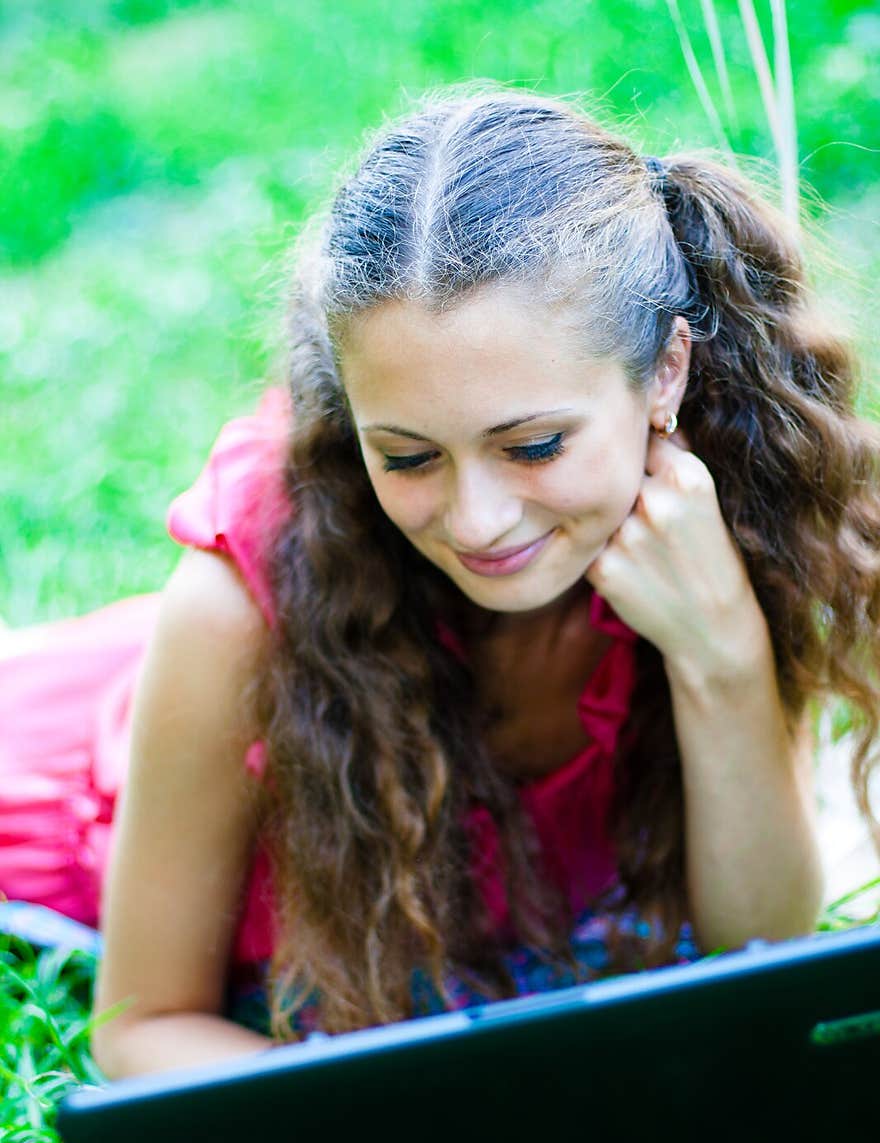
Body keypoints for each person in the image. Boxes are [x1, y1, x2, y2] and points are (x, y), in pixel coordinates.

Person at [2, 82, 879, 1079]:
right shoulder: (241, 606)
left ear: (666, 371)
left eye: (534, 443)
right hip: (82, 777)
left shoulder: (729, 508)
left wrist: (719, 647)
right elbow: (142, 1024)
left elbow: (753, 942)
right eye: (409, 456)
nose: (477, 520)